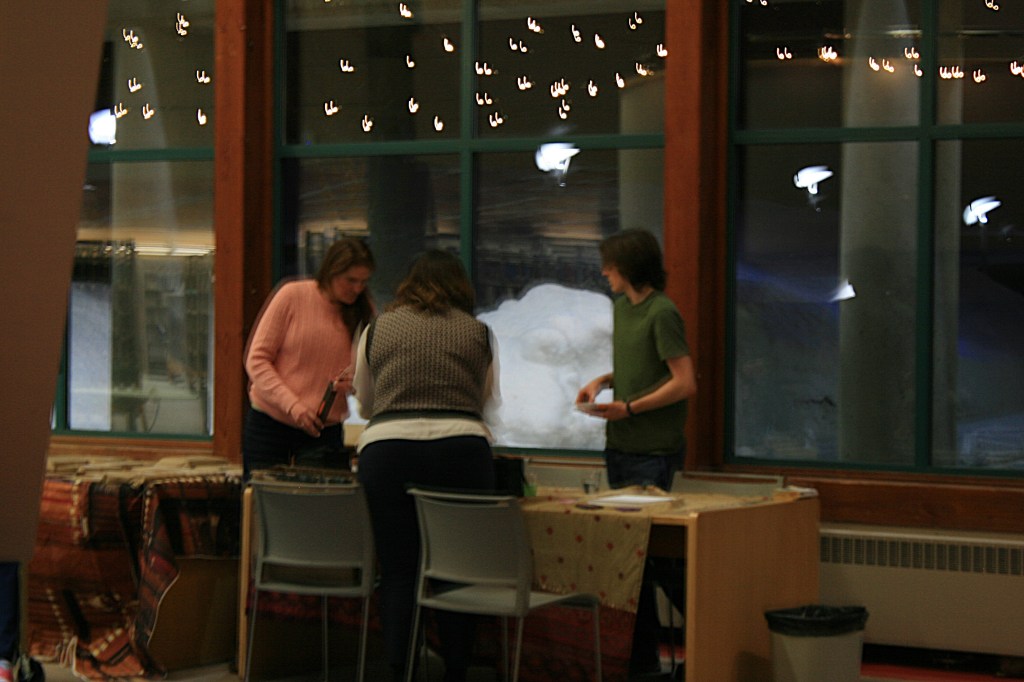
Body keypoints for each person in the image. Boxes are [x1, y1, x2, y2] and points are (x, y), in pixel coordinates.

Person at [353, 249, 500, 682]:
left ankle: (400, 669)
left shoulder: (377, 329)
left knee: (398, 569)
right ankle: (457, 670)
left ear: (409, 284)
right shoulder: (478, 332)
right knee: (457, 567)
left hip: (387, 450)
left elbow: (365, 400)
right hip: (461, 449)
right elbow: (487, 400)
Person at [576, 228, 696, 678]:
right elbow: (640, 365)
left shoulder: (662, 312)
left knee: (657, 561)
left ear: (628, 266)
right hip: (621, 446)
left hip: (652, 449)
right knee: (633, 563)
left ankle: (709, 636)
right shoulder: (622, 309)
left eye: (610, 264)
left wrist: (629, 408)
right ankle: (642, 663)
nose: (604, 272)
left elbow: (684, 381)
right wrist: (604, 381)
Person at [243, 237, 375, 479]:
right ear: (331, 272)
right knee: (263, 496)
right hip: (271, 420)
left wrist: (355, 383)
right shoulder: (292, 296)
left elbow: (370, 369)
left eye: (363, 282)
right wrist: (293, 406)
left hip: (323, 427)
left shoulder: (363, 311)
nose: (357, 289)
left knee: (321, 499)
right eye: (351, 280)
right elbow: (257, 360)